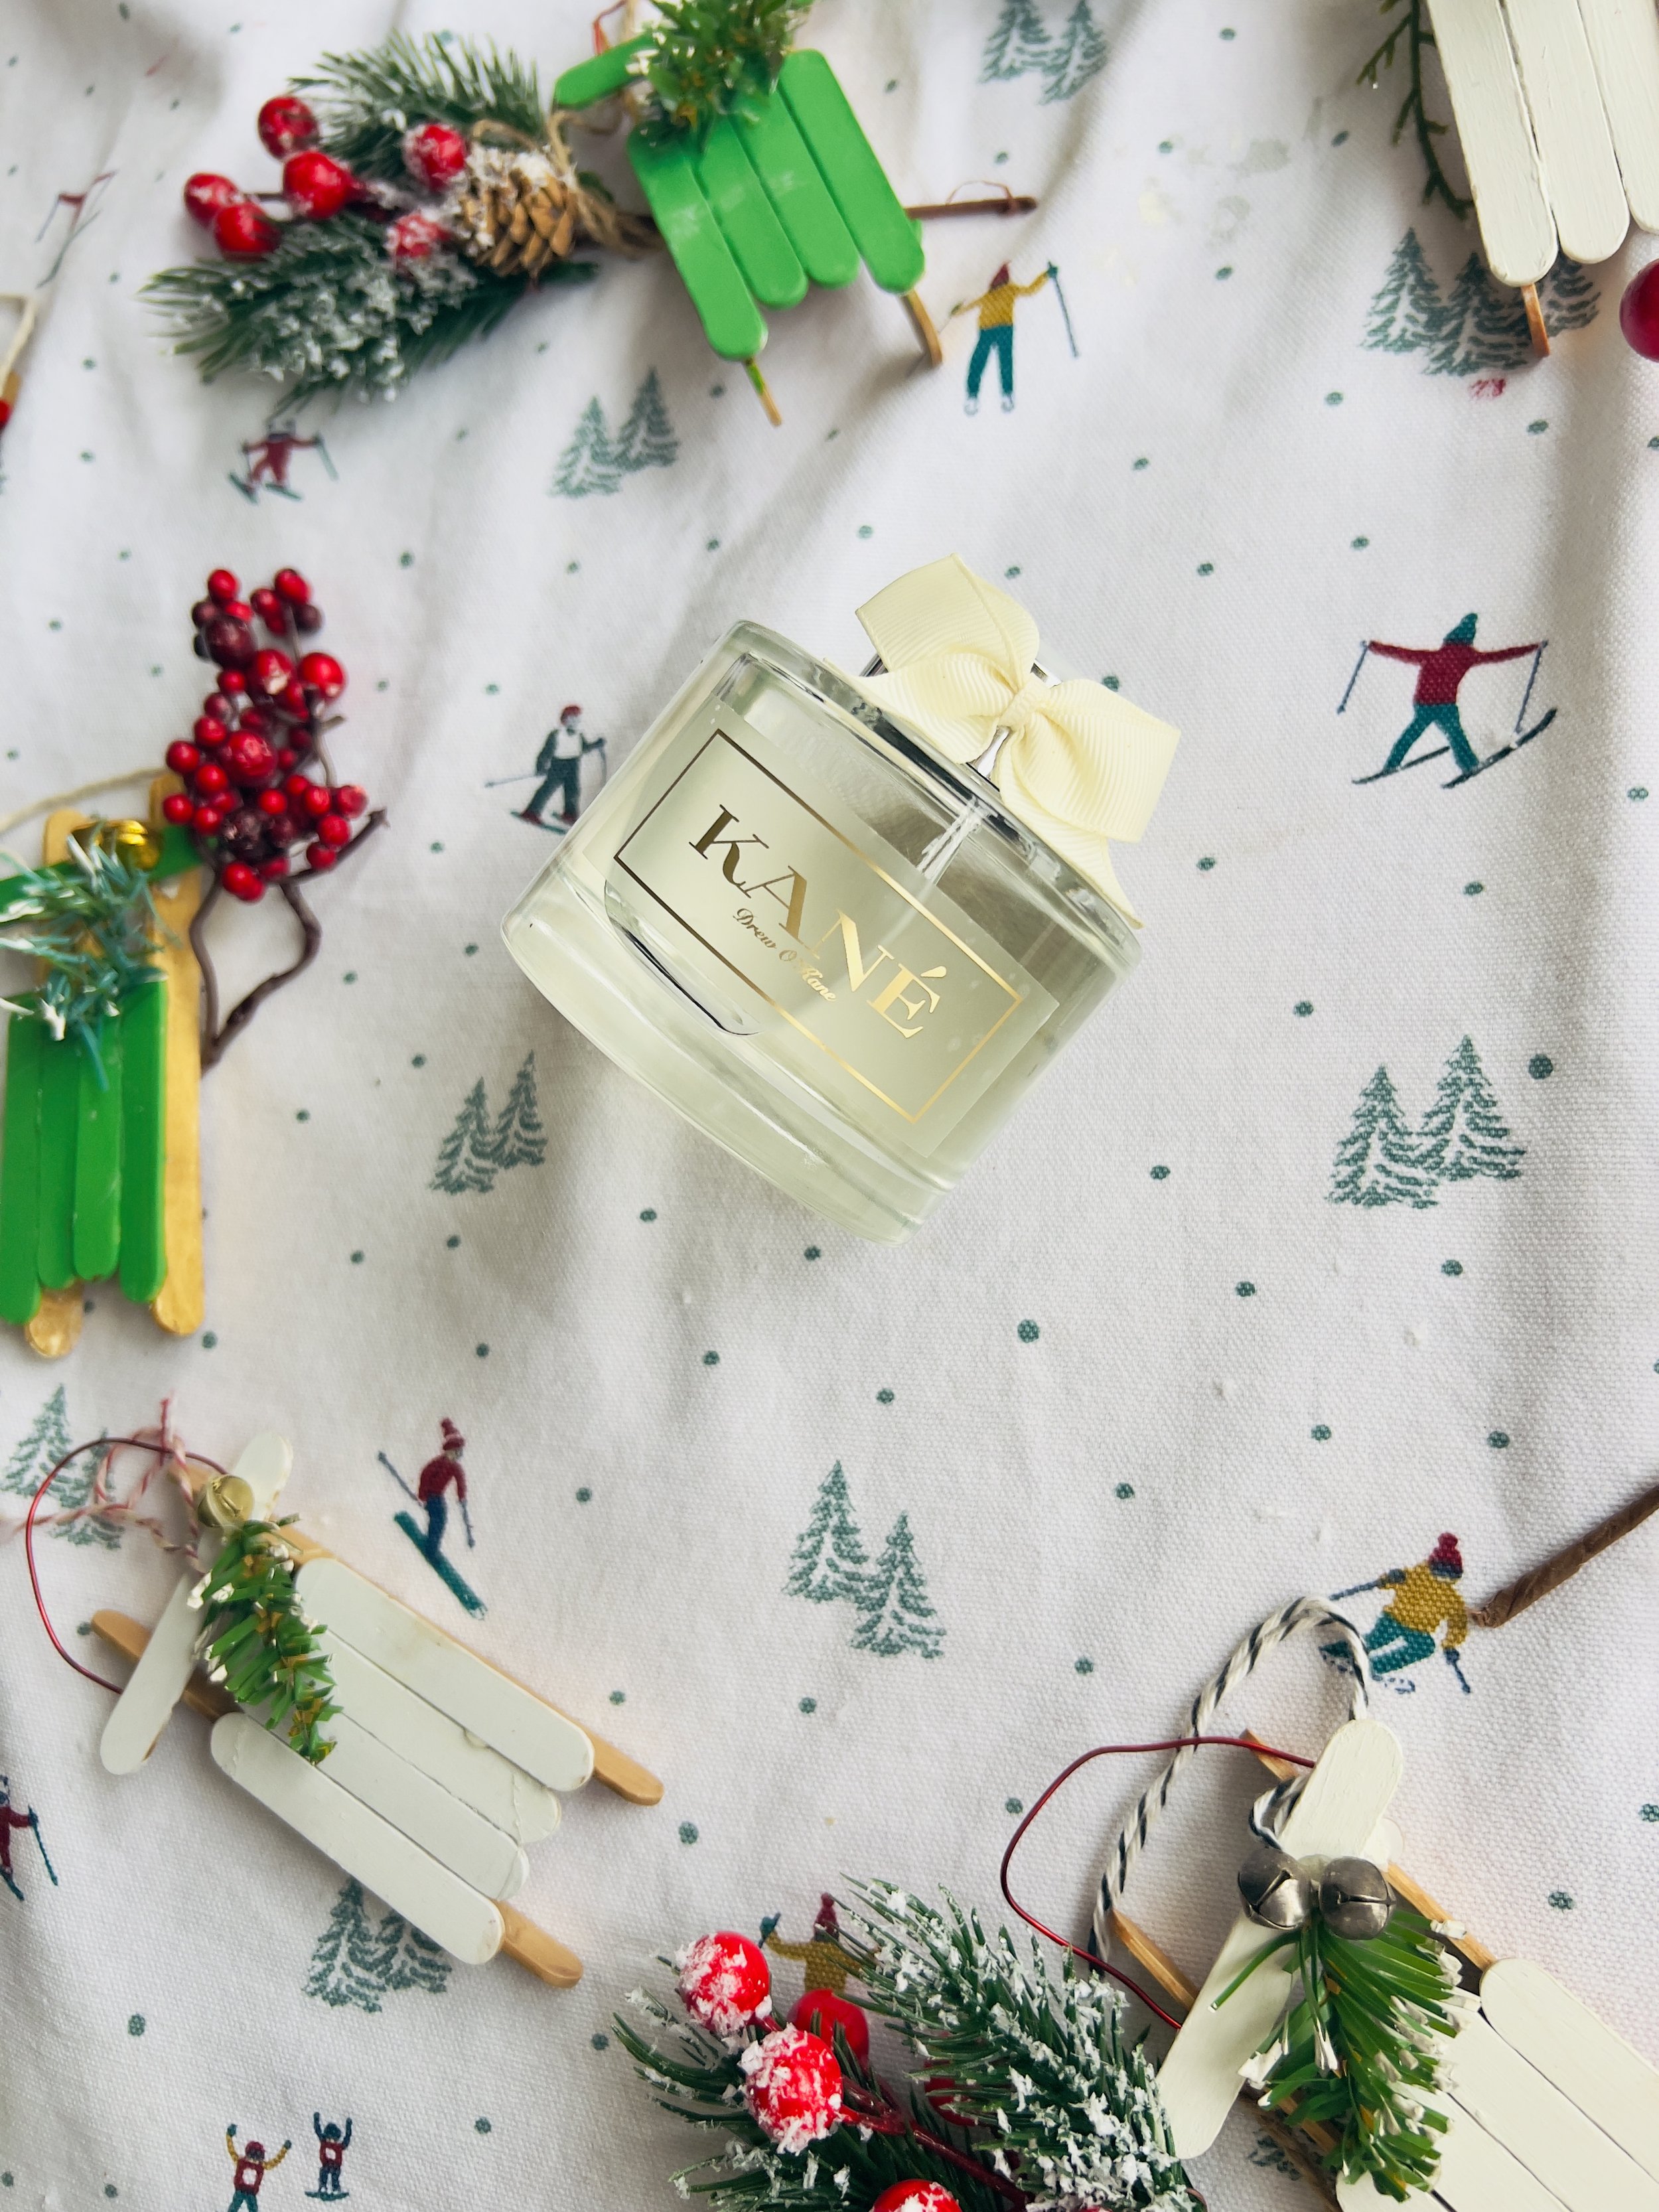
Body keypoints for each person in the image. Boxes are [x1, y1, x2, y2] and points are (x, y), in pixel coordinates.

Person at [1366, 615, 1541, 777]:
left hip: (1424, 703)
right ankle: (1469, 765)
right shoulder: (1468, 656)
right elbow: (1500, 656)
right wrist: (1532, 648)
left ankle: (1392, 764)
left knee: (1412, 734)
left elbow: (1401, 653)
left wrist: (1373, 647)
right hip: (1446, 705)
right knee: (1456, 735)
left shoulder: (1434, 655)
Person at [1362, 1533, 1469, 1684]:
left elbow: (1458, 1624)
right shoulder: (1415, 1576)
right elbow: (1390, 1581)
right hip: (1395, 1619)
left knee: (1425, 1647)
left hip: (1418, 1630)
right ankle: (1342, 1650)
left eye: (1450, 1575)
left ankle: (1376, 1666)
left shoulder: (1452, 1599)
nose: (1444, 1578)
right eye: (1441, 1572)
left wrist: (1450, 1645)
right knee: (1375, 1641)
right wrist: (1389, 1579)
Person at [960, 262, 1053, 413]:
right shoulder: (996, 294)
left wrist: (1046, 276)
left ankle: (979, 395)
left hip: (993, 330)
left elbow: (970, 306)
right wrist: (1046, 276)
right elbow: (1030, 290)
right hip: (999, 330)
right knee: (999, 361)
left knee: (982, 362)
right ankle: (1000, 395)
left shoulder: (1001, 292)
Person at [522, 703, 601, 827]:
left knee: (573, 790)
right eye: (572, 718)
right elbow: (546, 752)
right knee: (548, 789)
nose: (575, 721)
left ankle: (570, 814)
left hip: (573, 764)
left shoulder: (579, 735)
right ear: (565, 719)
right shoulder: (557, 734)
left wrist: (596, 744)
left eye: (577, 718)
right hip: (558, 764)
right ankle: (531, 812)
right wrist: (541, 766)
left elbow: (584, 748)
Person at [417, 1418, 470, 1563]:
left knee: (439, 1521)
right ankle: (431, 1551)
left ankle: (432, 1547)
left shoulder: (455, 1467)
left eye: (459, 1453)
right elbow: (425, 1476)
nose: (457, 1455)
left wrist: (462, 1498)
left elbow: (460, 1482)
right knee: (438, 1521)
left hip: (438, 1497)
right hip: (431, 1496)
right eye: (455, 1452)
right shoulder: (437, 1464)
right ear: (448, 1451)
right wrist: (422, 1497)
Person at [225, 2127, 289, 2212]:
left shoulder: (245, 2162)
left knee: (247, 2207)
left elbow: (232, 2151)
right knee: (237, 2206)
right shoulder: (248, 2163)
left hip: (249, 2192)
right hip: (242, 2191)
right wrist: (284, 2149)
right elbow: (274, 2162)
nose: (254, 2160)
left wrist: (285, 2149)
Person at [0, 1776, 38, 1902]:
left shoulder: (4, 1810)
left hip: (3, 1834)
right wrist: (28, 1820)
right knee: (3, 1846)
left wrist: (28, 1820)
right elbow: (14, 1820)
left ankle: (7, 1868)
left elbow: (13, 1819)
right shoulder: (4, 1810)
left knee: (4, 1846)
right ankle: (7, 1868)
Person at [312, 2114, 352, 2199]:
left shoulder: (339, 2147)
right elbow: (318, 2131)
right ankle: (323, 2187)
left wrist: (348, 2126)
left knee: (335, 2177)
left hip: (336, 2167)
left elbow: (347, 2139)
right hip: (326, 2165)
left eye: (334, 2139)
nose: (331, 2141)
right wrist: (316, 2120)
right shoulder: (324, 2142)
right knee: (323, 2173)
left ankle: (336, 2188)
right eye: (329, 2138)